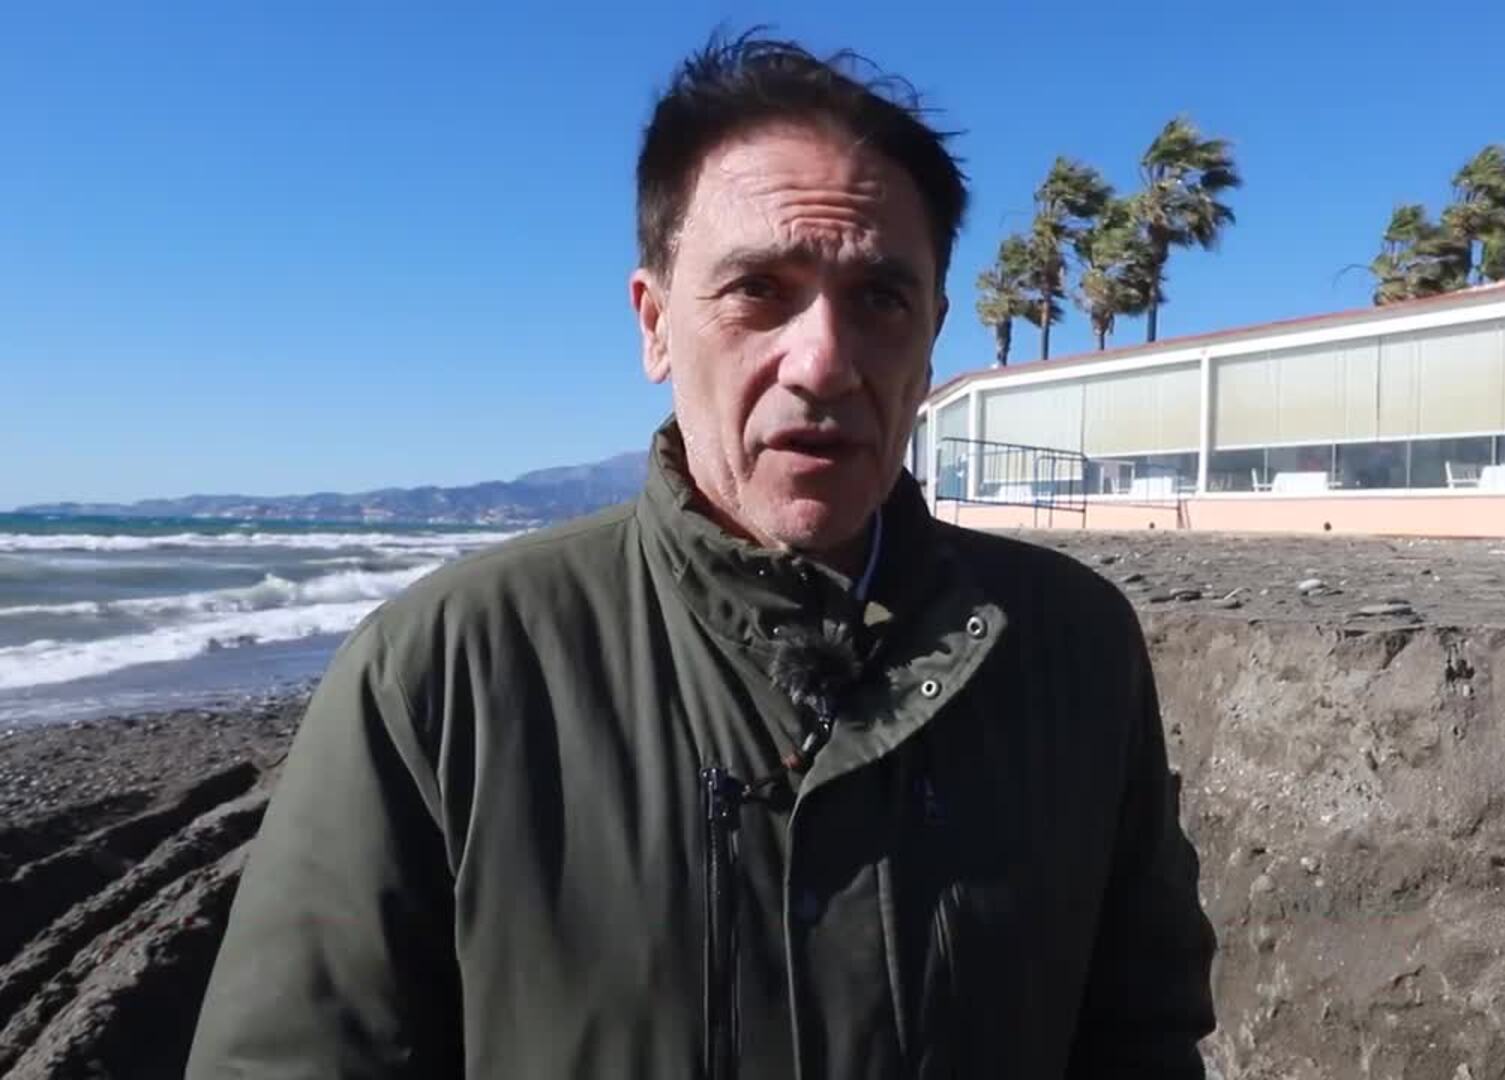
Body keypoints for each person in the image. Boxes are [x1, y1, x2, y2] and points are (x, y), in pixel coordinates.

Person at [187, 32, 1216, 1079]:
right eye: (758, 288)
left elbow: (1143, 1032)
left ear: (932, 332)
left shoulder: (1071, 646)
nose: (824, 361)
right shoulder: (444, 669)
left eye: (880, 298)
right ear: (655, 324)